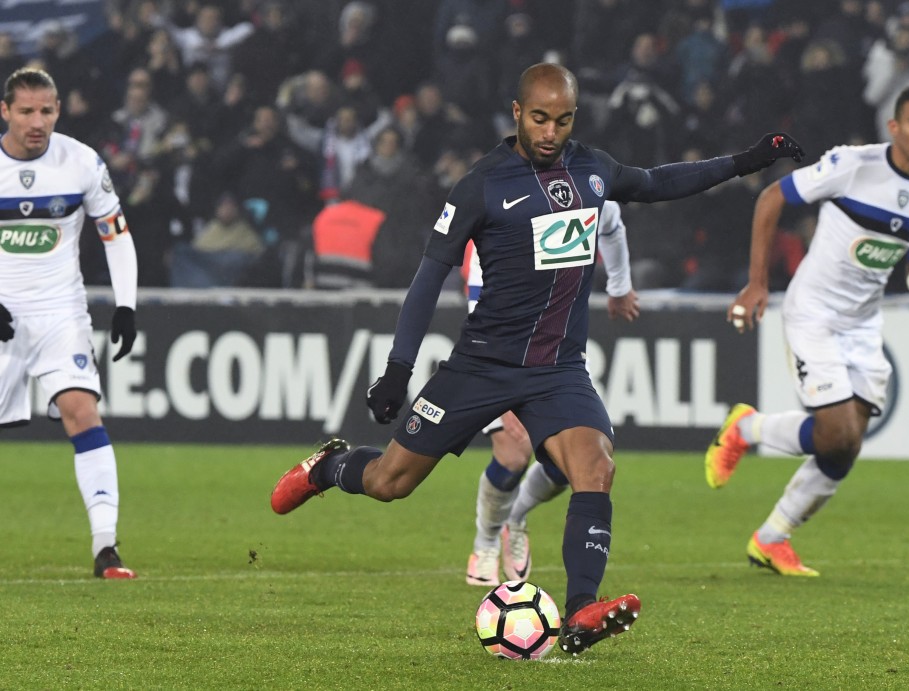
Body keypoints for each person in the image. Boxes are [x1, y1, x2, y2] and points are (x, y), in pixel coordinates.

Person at [270, 62, 803, 654]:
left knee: (596, 468)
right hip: (481, 366)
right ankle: (328, 469)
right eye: (541, 119)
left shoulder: (592, 169)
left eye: (564, 120)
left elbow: (659, 182)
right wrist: (399, 369)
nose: (551, 133)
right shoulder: (481, 185)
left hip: (557, 370)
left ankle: (581, 612)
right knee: (389, 482)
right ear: (518, 113)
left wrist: (746, 161)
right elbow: (428, 278)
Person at [704, 85, 909, 577]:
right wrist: (758, 283)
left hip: (863, 324)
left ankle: (772, 538)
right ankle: (745, 429)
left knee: (845, 446)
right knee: (834, 433)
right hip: (814, 312)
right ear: (894, 127)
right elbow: (772, 197)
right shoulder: (854, 165)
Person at [0, 68, 139, 579]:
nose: (37, 122)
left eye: (46, 111)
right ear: (5, 112)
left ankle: (106, 548)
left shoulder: (81, 162)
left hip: (61, 314)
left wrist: (126, 305)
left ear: (58, 109)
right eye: (26, 111)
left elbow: (116, 235)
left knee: (82, 413)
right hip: (3, 316)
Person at [465, 199, 640, 587]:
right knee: (512, 453)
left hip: (558, 356)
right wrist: (503, 396)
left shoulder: (586, 193)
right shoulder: (500, 213)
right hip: (496, 354)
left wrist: (619, 286)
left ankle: (514, 517)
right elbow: (479, 308)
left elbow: (612, 222)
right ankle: (486, 542)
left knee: (574, 461)